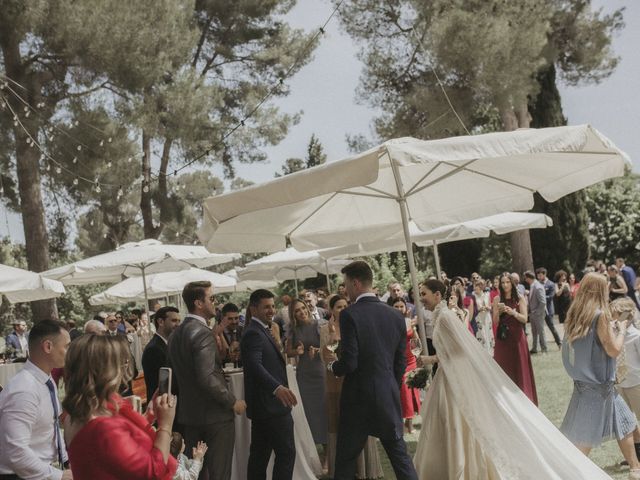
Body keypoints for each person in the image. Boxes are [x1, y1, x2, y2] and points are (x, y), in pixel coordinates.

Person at [413, 279, 613, 479]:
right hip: (447, 377)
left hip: (454, 379)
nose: (420, 298)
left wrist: (429, 359)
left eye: (424, 294)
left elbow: (461, 351)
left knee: (457, 425)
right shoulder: (440, 316)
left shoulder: (447, 317)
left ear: (438, 295)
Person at [327, 261, 418, 480]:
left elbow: (350, 362)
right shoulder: (397, 316)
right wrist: (390, 386)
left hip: (358, 398)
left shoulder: (349, 315)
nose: (345, 289)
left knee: (346, 460)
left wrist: (332, 366)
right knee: (400, 458)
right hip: (386, 393)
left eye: (347, 284)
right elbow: (401, 362)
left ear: (356, 283)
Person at [62, 334, 177, 479]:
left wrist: (148, 416)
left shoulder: (76, 415)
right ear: (105, 370)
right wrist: (165, 425)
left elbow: (114, 459)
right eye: (122, 363)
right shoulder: (104, 428)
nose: (124, 369)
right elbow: (153, 471)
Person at [560, 273, 640, 478]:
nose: (608, 291)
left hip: (587, 385)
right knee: (583, 439)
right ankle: (566, 473)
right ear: (598, 290)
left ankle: (635, 467)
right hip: (598, 387)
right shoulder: (599, 316)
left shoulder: (576, 314)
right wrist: (621, 329)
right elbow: (613, 350)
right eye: (605, 287)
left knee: (626, 423)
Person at [168, 281, 245, 480]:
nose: (215, 302)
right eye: (211, 298)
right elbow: (207, 377)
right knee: (219, 474)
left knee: (197, 472)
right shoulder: (202, 332)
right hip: (215, 416)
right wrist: (232, 401)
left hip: (191, 416)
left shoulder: (176, 334)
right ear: (198, 303)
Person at [319, 295, 382, 479]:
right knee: (337, 421)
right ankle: (342, 469)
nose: (343, 309)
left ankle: (363, 468)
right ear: (331, 310)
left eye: (345, 305)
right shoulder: (324, 329)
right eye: (339, 306)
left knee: (359, 420)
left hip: (355, 378)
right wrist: (332, 341)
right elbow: (325, 357)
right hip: (334, 380)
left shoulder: (355, 324)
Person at [0, 320, 72, 480]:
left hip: (36, 471)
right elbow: (15, 451)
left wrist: (67, 461)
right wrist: (59, 476)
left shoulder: (46, 379)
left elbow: (52, 427)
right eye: (67, 346)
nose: (70, 351)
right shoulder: (24, 390)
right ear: (48, 347)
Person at [241, 289, 298, 480]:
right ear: (253, 309)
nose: (271, 310)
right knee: (286, 453)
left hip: (264, 408)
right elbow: (254, 366)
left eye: (273, 306)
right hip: (270, 407)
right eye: (266, 307)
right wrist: (277, 388)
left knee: (260, 456)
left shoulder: (261, 330)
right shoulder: (253, 333)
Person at [285, 299, 328, 456]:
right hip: (304, 375)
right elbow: (288, 351)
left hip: (320, 372)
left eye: (303, 308)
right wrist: (298, 352)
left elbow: (328, 346)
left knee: (323, 411)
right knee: (308, 413)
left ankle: (327, 452)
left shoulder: (319, 324)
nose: (302, 312)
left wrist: (317, 350)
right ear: (293, 314)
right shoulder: (292, 329)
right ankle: (314, 453)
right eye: (297, 310)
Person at [493, 272, 538, 404]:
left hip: (517, 337)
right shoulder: (497, 299)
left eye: (507, 282)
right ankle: (505, 400)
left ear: (512, 284)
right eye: (503, 283)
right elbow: (495, 322)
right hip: (503, 338)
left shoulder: (520, 298)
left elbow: (524, 319)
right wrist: (499, 312)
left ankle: (524, 398)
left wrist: (513, 312)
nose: (505, 285)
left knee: (519, 368)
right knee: (503, 367)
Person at [610, 297, 640, 463]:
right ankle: (634, 455)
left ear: (627, 316)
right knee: (627, 421)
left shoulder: (636, 336)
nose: (615, 319)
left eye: (618, 315)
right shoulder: (614, 334)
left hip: (636, 383)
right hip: (620, 383)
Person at [388, 297, 421, 434]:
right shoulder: (388, 323)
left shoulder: (409, 322)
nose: (399, 308)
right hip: (397, 360)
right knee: (402, 392)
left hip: (411, 359)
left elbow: (416, 340)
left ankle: (410, 423)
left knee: (412, 390)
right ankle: (400, 423)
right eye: (396, 306)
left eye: (401, 306)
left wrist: (413, 328)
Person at [142, 306, 181, 400]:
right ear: (160, 322)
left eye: (179, 321)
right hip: (162, 405)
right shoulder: (154, 349)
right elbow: (164, 384)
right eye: (174, 320)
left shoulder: (169, 344)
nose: (178, 324)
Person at [536, 267, 562, 348]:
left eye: (540, 275)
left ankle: (559, 343)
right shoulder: (537, 284)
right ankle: (542, 346)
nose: (539, 277)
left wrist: (541, 297)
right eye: (538, 276)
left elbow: (551, 297)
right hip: (540, 310)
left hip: (548, 310)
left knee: (551, 327)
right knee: (540, 329)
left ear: (544, 274)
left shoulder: (551, 284)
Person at [524, 270, 548, 355]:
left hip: (538, 314)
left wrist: (536, 312)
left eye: (525, 278)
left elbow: (543, 302)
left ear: (528, 278)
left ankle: (544, 349)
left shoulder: (538, 286)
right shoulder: (533, 286)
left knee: (541, 332)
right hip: (533, 314)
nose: (525, 279)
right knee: (534, 332)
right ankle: (534, 348)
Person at [473, 279, 494, 352]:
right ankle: (482, 352)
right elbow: (473, 309)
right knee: (481, 335)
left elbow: (491, 307)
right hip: (479, 317)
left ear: (481, 287)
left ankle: (490, 352)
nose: (475, 288)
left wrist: (488, 307)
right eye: (475, 286)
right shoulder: (473, 296)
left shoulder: (487, 295)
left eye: (477, 286)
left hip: (487, 317)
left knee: (488, 334)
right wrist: (479, 309)